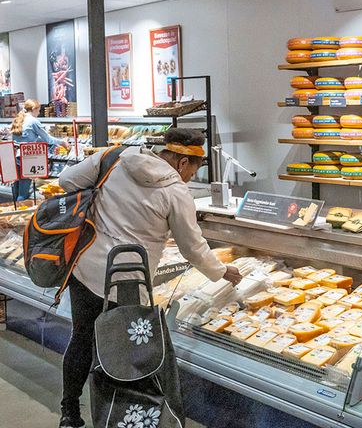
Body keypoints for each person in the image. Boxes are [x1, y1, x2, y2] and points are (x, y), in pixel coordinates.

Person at [55, 128, 243, 428]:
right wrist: (221, 272)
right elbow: (192, 247)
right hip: (126, 283)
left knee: (82, 338)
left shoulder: (115, 157)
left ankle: (70, 413)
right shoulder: (175, 191)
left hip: (86, 268)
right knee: (124, 354)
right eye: (193, 171)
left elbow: (65, 181)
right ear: (182, 162)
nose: (191, 177)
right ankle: (118, 415)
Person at [10, 99, 69, 201]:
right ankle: (22, 216)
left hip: (14, 159)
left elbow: (27, 139)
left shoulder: (19, 119)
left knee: (16, 191)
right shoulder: (33, 121)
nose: (39, 113)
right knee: (23, 195)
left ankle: (13, 213)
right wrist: (62, 142)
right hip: (26, 159)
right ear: (33, 109)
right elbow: (48, 139)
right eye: (38, 110)